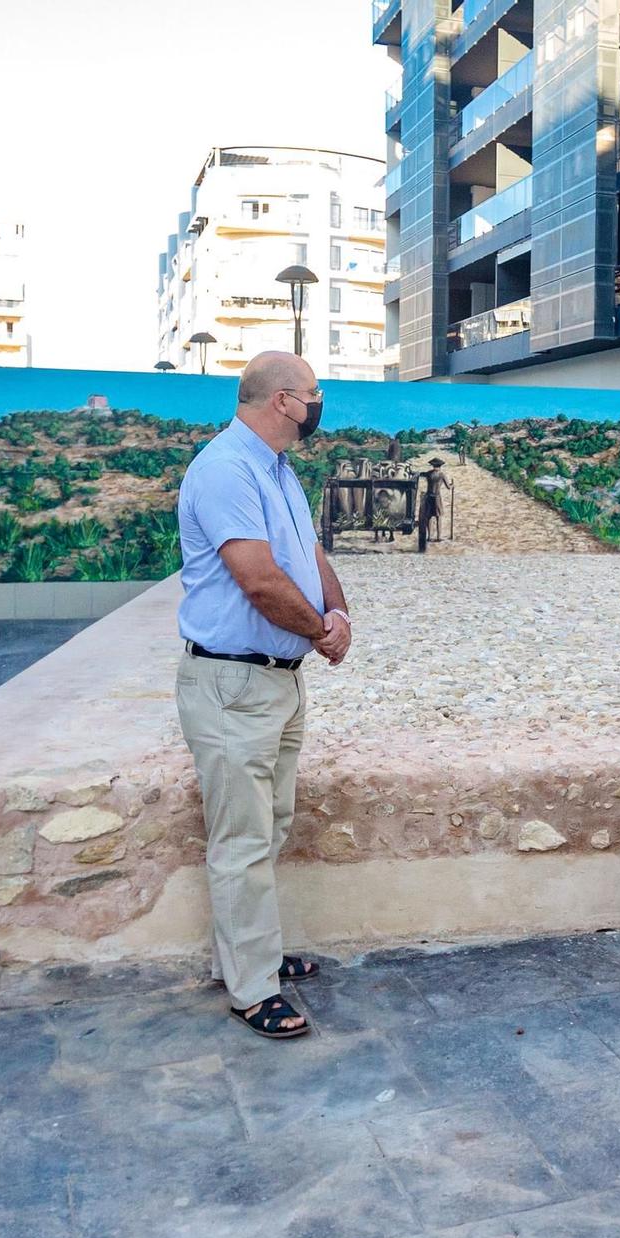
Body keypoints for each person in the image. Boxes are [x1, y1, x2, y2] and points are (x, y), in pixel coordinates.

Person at [175, 351, 352, 1039]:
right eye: (313, 393)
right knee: (242, 839)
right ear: (283, 400)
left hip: (275, 682)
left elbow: (308, 557)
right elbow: (258, 579)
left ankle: (257, 953)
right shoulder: (225, 469)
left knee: (268, 826)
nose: (318, 404)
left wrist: (337, 618)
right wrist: (318, 631)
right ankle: (251, 986)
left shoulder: (278, 471)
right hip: (231, 681)